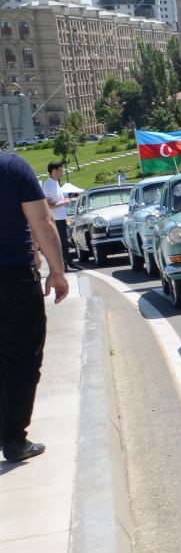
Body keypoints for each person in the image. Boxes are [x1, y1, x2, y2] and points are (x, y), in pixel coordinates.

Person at [1, 150, 69, 463]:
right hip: (12, 277)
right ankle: (13, 438)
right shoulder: (13, 167)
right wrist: (57, 272)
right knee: (21, 357)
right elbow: (42, 221)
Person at [41, 161, 73, 266]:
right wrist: (64, 202)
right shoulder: (49, 184)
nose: (62, 173)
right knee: (61, 243)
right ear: (54, 171)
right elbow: (49, 205)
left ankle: (67, 263)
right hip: (56, 219)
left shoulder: (55, 183)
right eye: (60, 170)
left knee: (63, 242)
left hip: (60, 218)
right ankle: (66, 264)